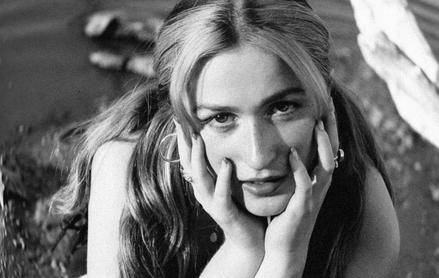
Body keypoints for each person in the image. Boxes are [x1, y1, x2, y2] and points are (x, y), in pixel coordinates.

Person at [52, 0, 400, 277]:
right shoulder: (122, 170)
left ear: (322, 102)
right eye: (221, 117)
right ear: (182, 122)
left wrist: (284, 257)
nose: (258, 156)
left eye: (282, 107)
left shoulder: (360, 206)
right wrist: (246, 249)